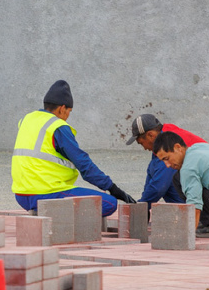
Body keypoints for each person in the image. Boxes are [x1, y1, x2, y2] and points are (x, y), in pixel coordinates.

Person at [12, 80, 136, 217]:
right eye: (69, 111)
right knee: (109, 203)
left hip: (21, 195)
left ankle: (43, 213)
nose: (68, 116)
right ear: (61, 108)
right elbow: (84, 165)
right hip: (46, 192)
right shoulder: (57, 126)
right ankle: (54, 216)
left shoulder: (27, 120)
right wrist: (113, 188)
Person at [125, 113, 206, 206]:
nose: (144, 148)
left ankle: (185, 215)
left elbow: (159, 187)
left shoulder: (168, 143)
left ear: (150, 135)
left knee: (167, 179)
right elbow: (153, 174)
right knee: (159, 170)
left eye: (141, 143)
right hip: (204, 188)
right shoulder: (163, 136)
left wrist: (141, 207)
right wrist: (142, 205)